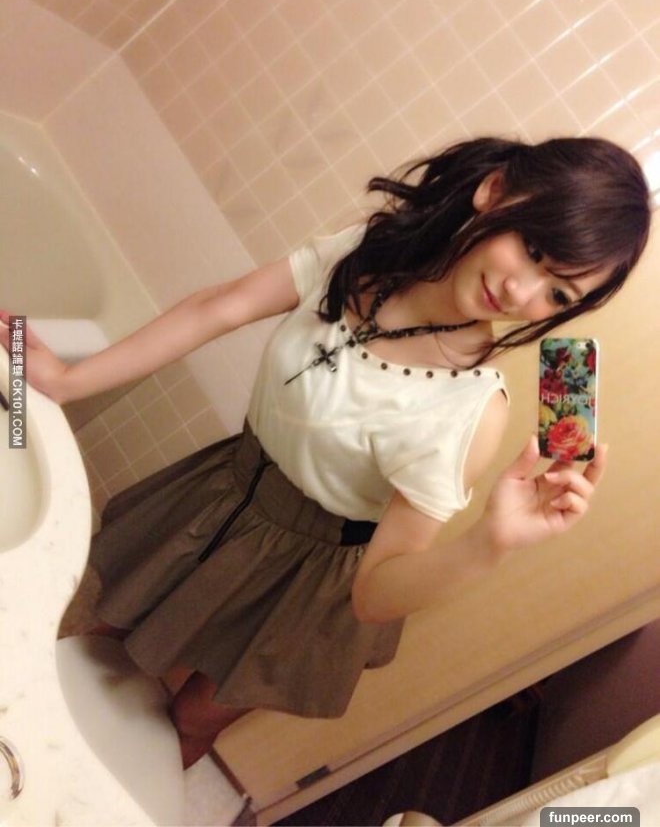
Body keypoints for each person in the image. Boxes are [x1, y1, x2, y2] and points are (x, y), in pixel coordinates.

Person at [0, 136, 651, 770]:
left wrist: (491, 541)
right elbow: (219, 307)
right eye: (533, 249)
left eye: (557, 295)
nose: (521, 294)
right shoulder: (366, 255)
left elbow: (375, 594)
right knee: (108, 637)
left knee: (192, 718)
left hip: (320, 574)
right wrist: (68, 380)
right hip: (231, 486)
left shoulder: (470, 412)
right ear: (494, 190)